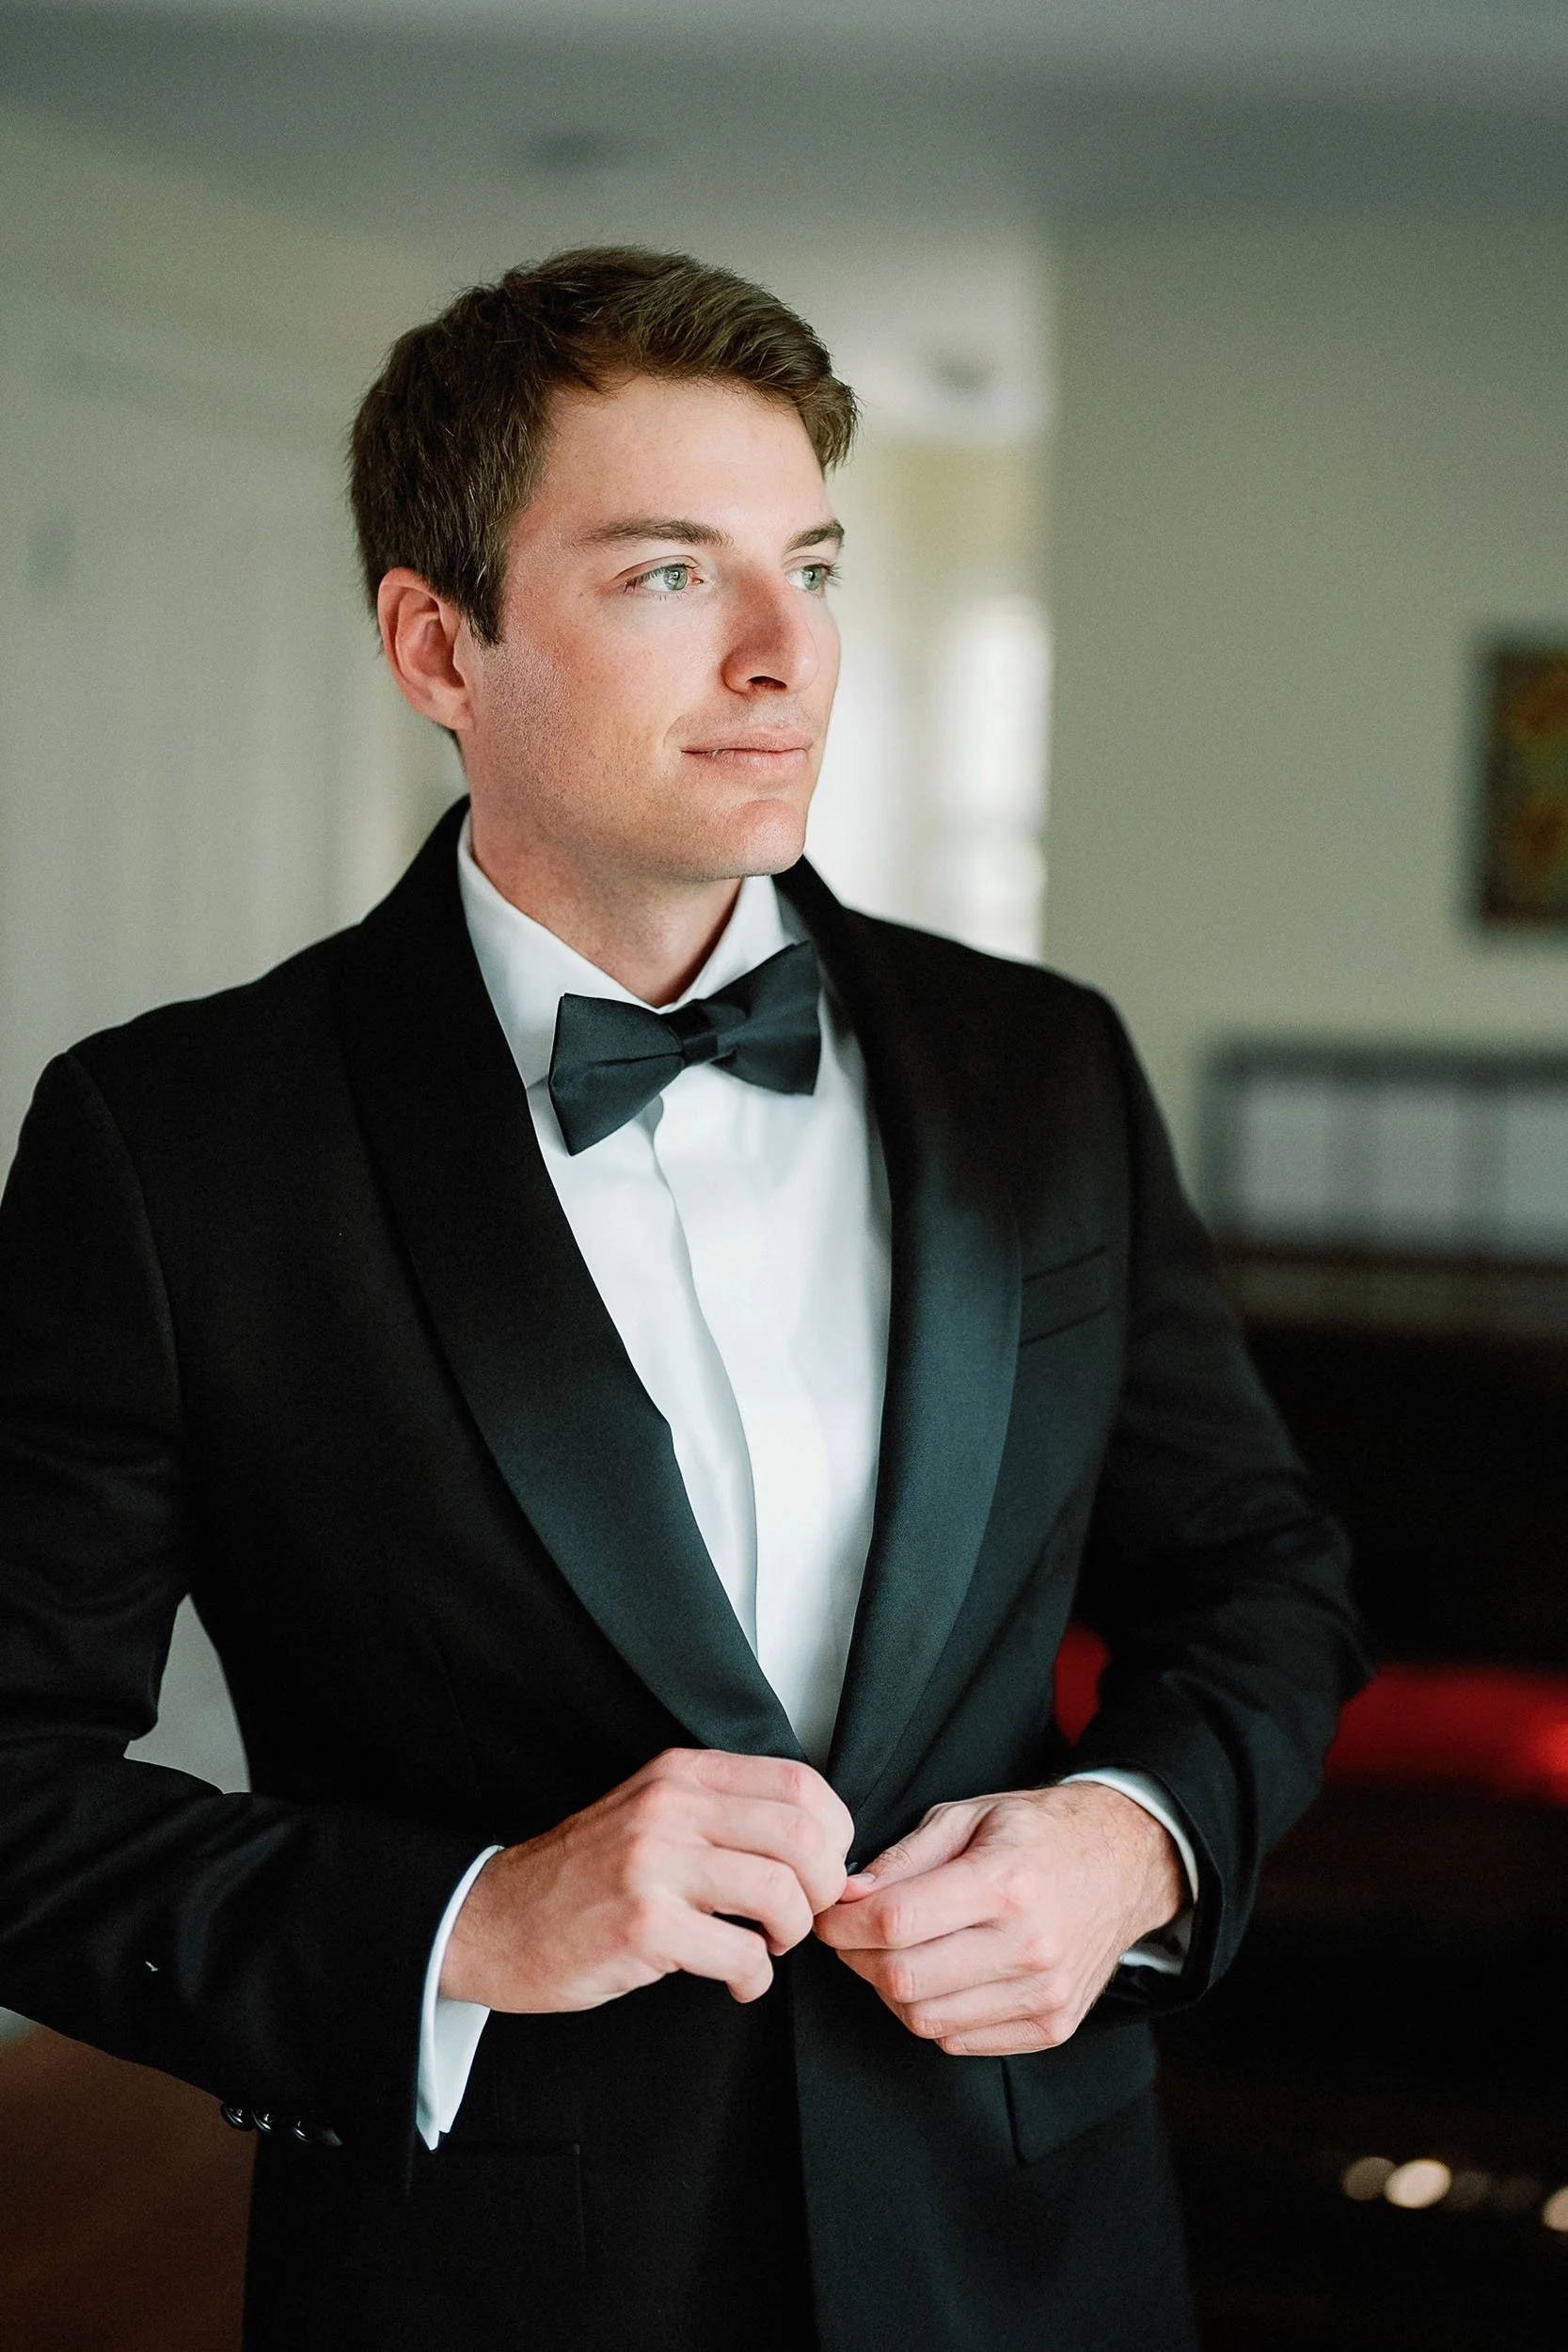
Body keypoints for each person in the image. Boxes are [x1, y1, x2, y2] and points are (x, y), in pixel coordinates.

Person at [0, 247, 1366, 2352]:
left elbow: (1257, 1574)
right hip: (486, 2280)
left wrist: (1129, 1841)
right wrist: (468, 1920)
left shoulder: (1041, 1068)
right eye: (664, 574)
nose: (781, 656)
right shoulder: (169, 1142)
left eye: (807, 565)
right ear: (433, 641)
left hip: (1026, 2251)